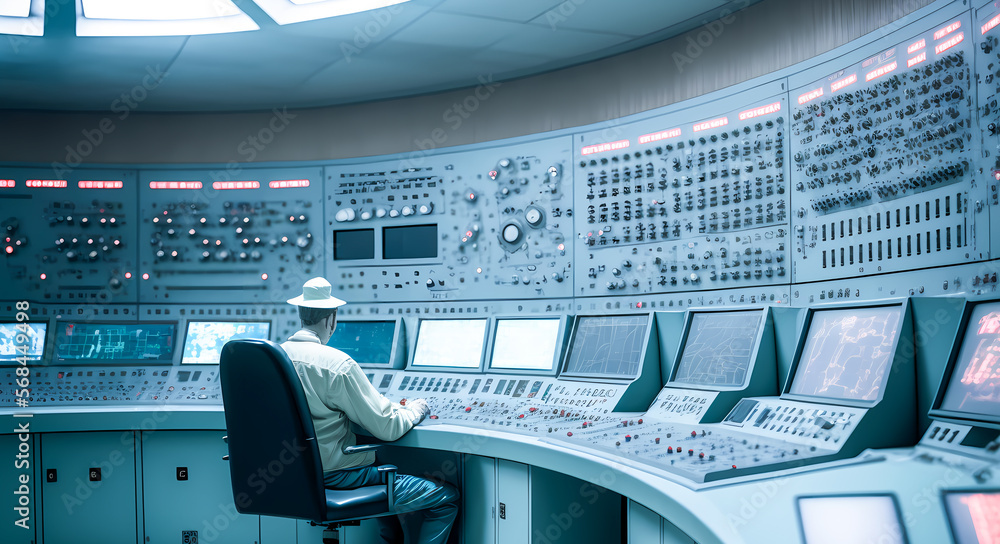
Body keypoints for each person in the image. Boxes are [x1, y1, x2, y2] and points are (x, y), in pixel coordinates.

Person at [281, 277, 459, 544]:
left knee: (377, 468)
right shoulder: (337, 365)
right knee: (446, 497)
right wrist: (415, 409)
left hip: (288, 477)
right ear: (331, 319)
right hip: (337, 478)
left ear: (300, 313)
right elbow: (388, 428)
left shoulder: (275, 357)